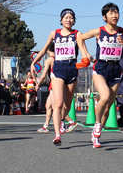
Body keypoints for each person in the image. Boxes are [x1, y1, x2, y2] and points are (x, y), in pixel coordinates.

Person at [78, 3, 123, 148]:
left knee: (108, 106)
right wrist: (86, 55)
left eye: (116, 12)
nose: (115, 15)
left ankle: (97, 135)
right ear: (104, 17)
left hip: (115, 69)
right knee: (104, 97)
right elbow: (80, 38)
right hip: (100, 67)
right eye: (111, 13)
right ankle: (97, 125)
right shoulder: (99, 31)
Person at [31, 8, 90, 146]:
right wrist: (34, 62)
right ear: (61, 19)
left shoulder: (77, 34)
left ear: (74, 20)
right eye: (66, 17)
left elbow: (83, 51)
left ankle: (63, 121)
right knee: (57, 103)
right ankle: (57, 135)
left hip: (72, 70)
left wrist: (87, 59)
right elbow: (45, 49)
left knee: (67, 105)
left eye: (71, 17)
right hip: (58, 70)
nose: (68, 19)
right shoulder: (54, 33)